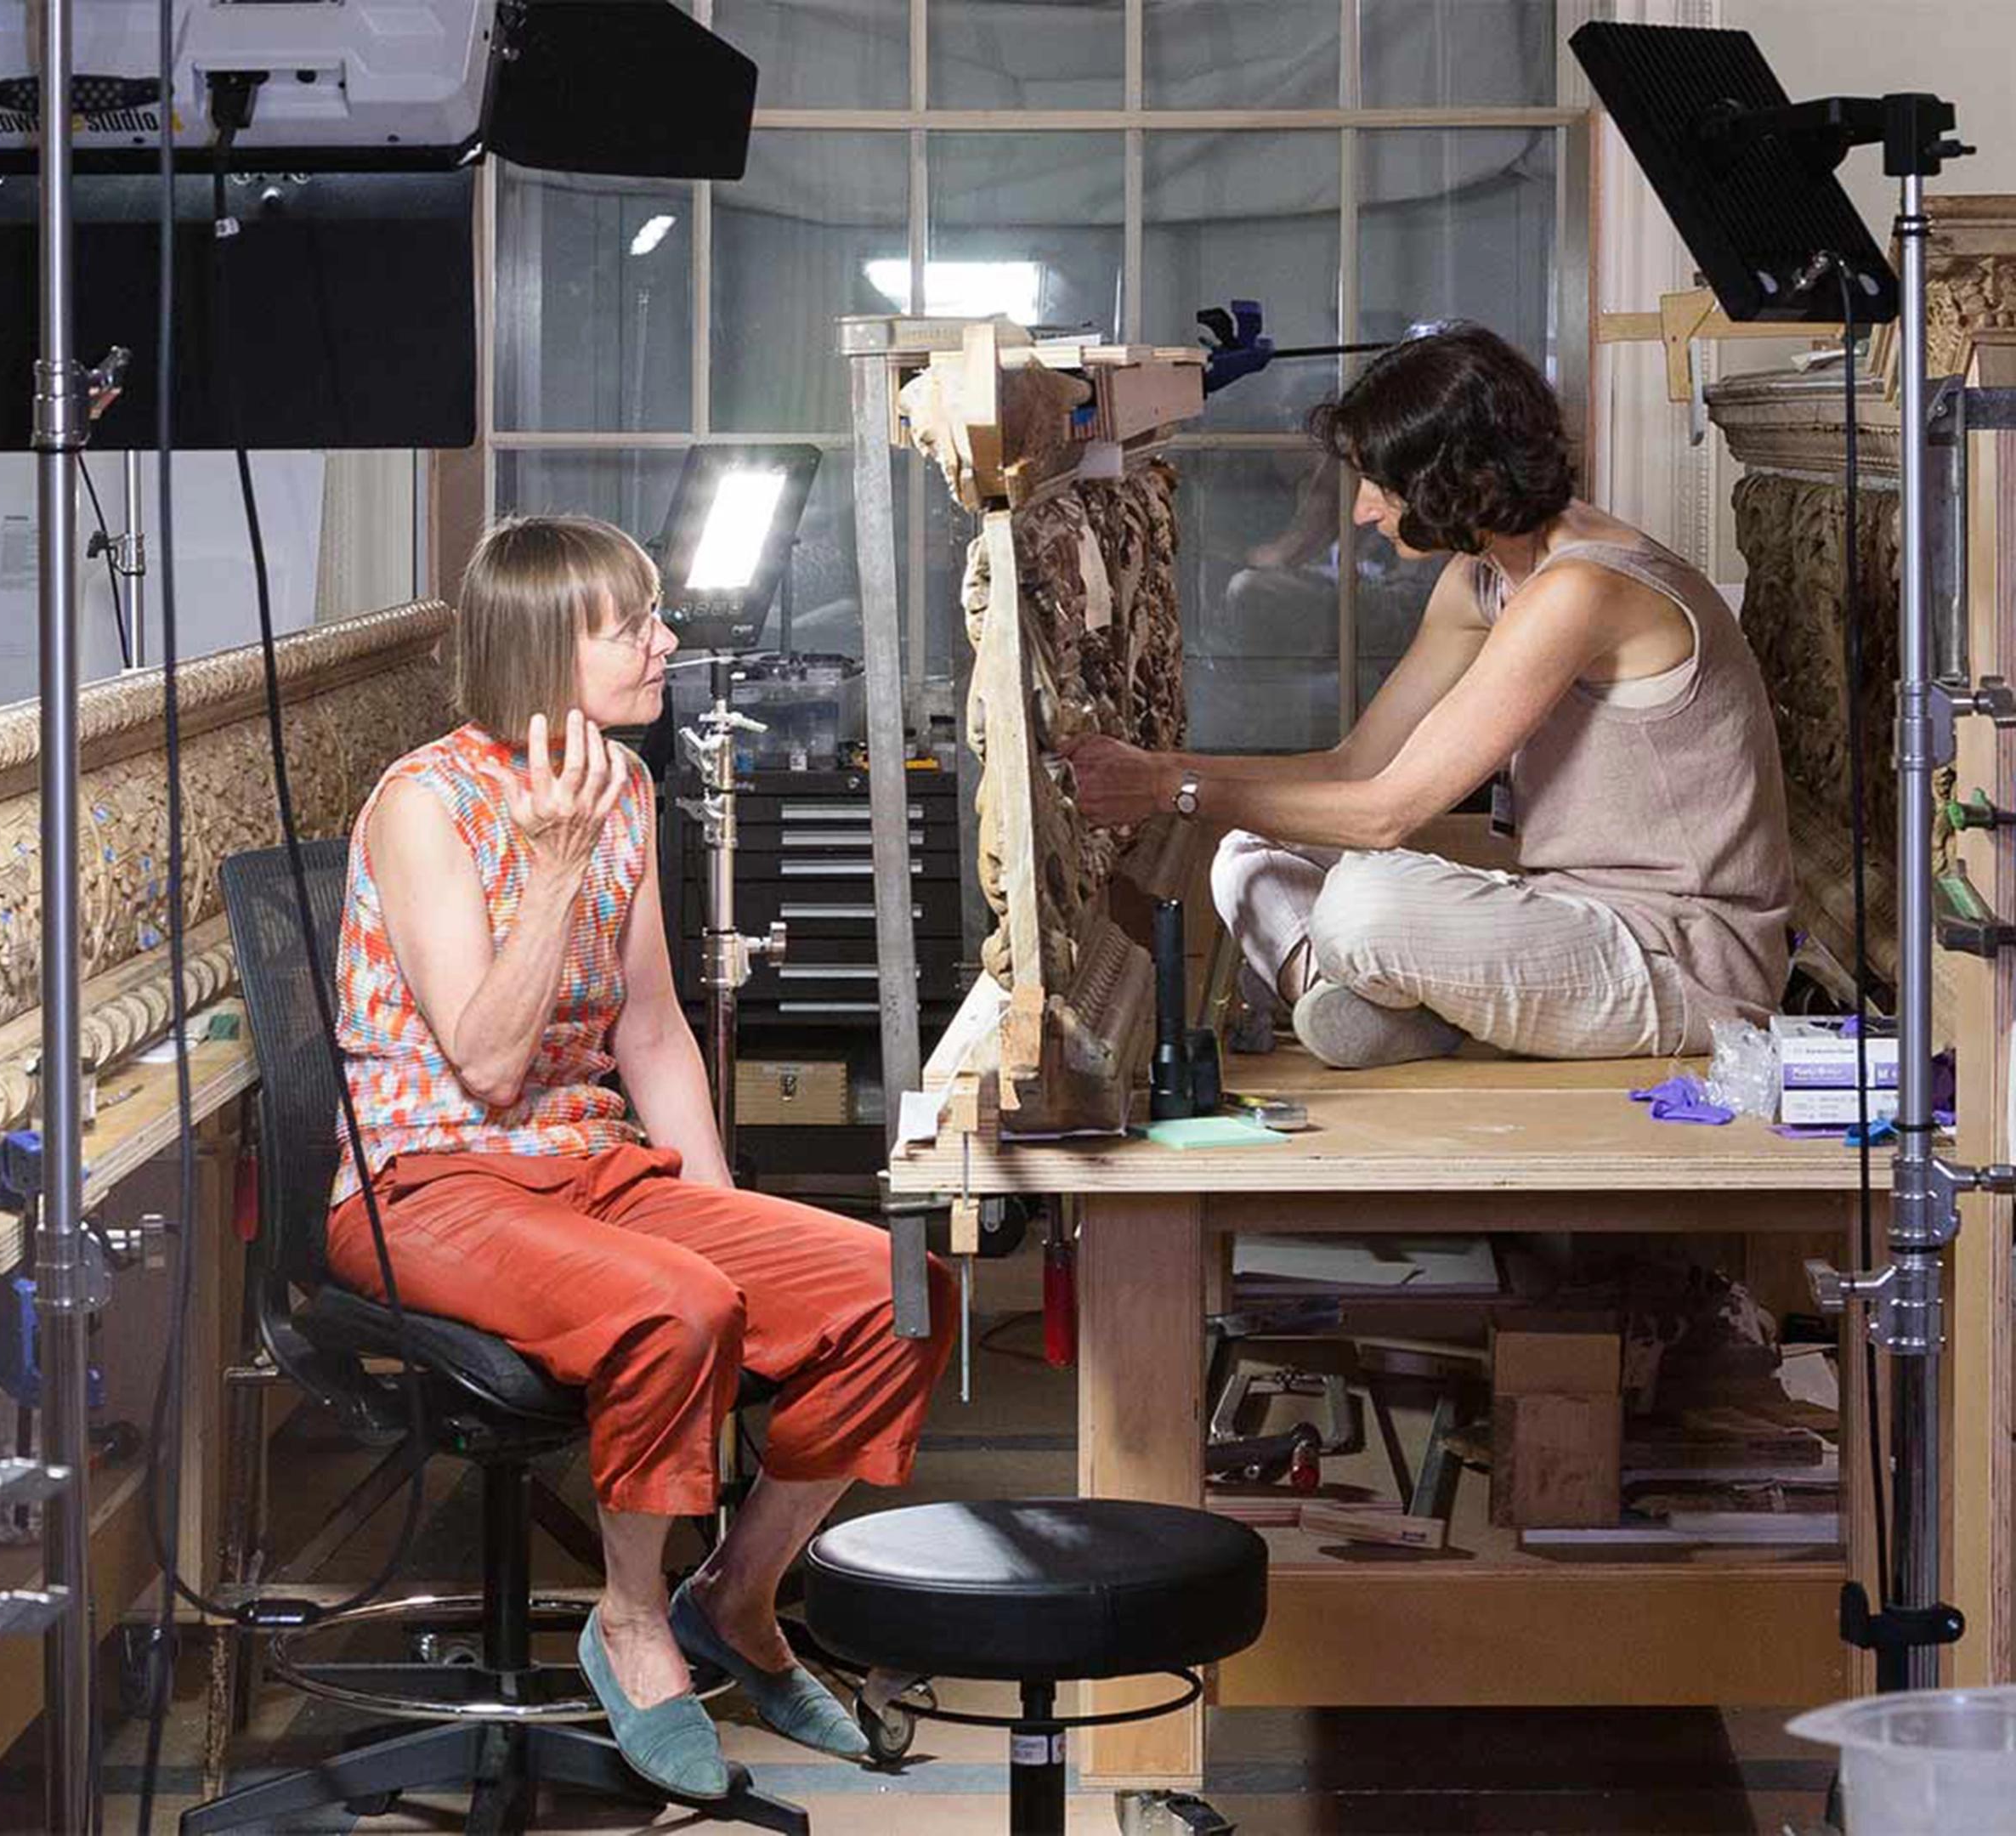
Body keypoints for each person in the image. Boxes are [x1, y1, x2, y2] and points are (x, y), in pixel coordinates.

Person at [326, 514, 958, 1797]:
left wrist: (727, 1228)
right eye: (634, 626)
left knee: (895, 1294)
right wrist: (552, 868)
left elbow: (655, 1030)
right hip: (425, 1186)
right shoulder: (423, 802)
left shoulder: (626, 783)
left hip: (588, 1170)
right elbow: (490, 1063)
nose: (667, 642)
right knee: (675, 1307)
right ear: (544, 648)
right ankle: (629, 1620)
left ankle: (737, 1597)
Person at [1066, 325, 1792, 1067]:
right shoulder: (1482, 579)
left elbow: (1387, 814)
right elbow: (1355, 767)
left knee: (1364, 905)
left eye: (1383, 485)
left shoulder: (1582, 588)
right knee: (1247, 850)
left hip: (1680, 959)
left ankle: (1385, 1000)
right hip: (1568, 918)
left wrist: (1167, 788)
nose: (1363, 512)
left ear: (1466, 480)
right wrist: (1158, 767)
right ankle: (1399, 1013)